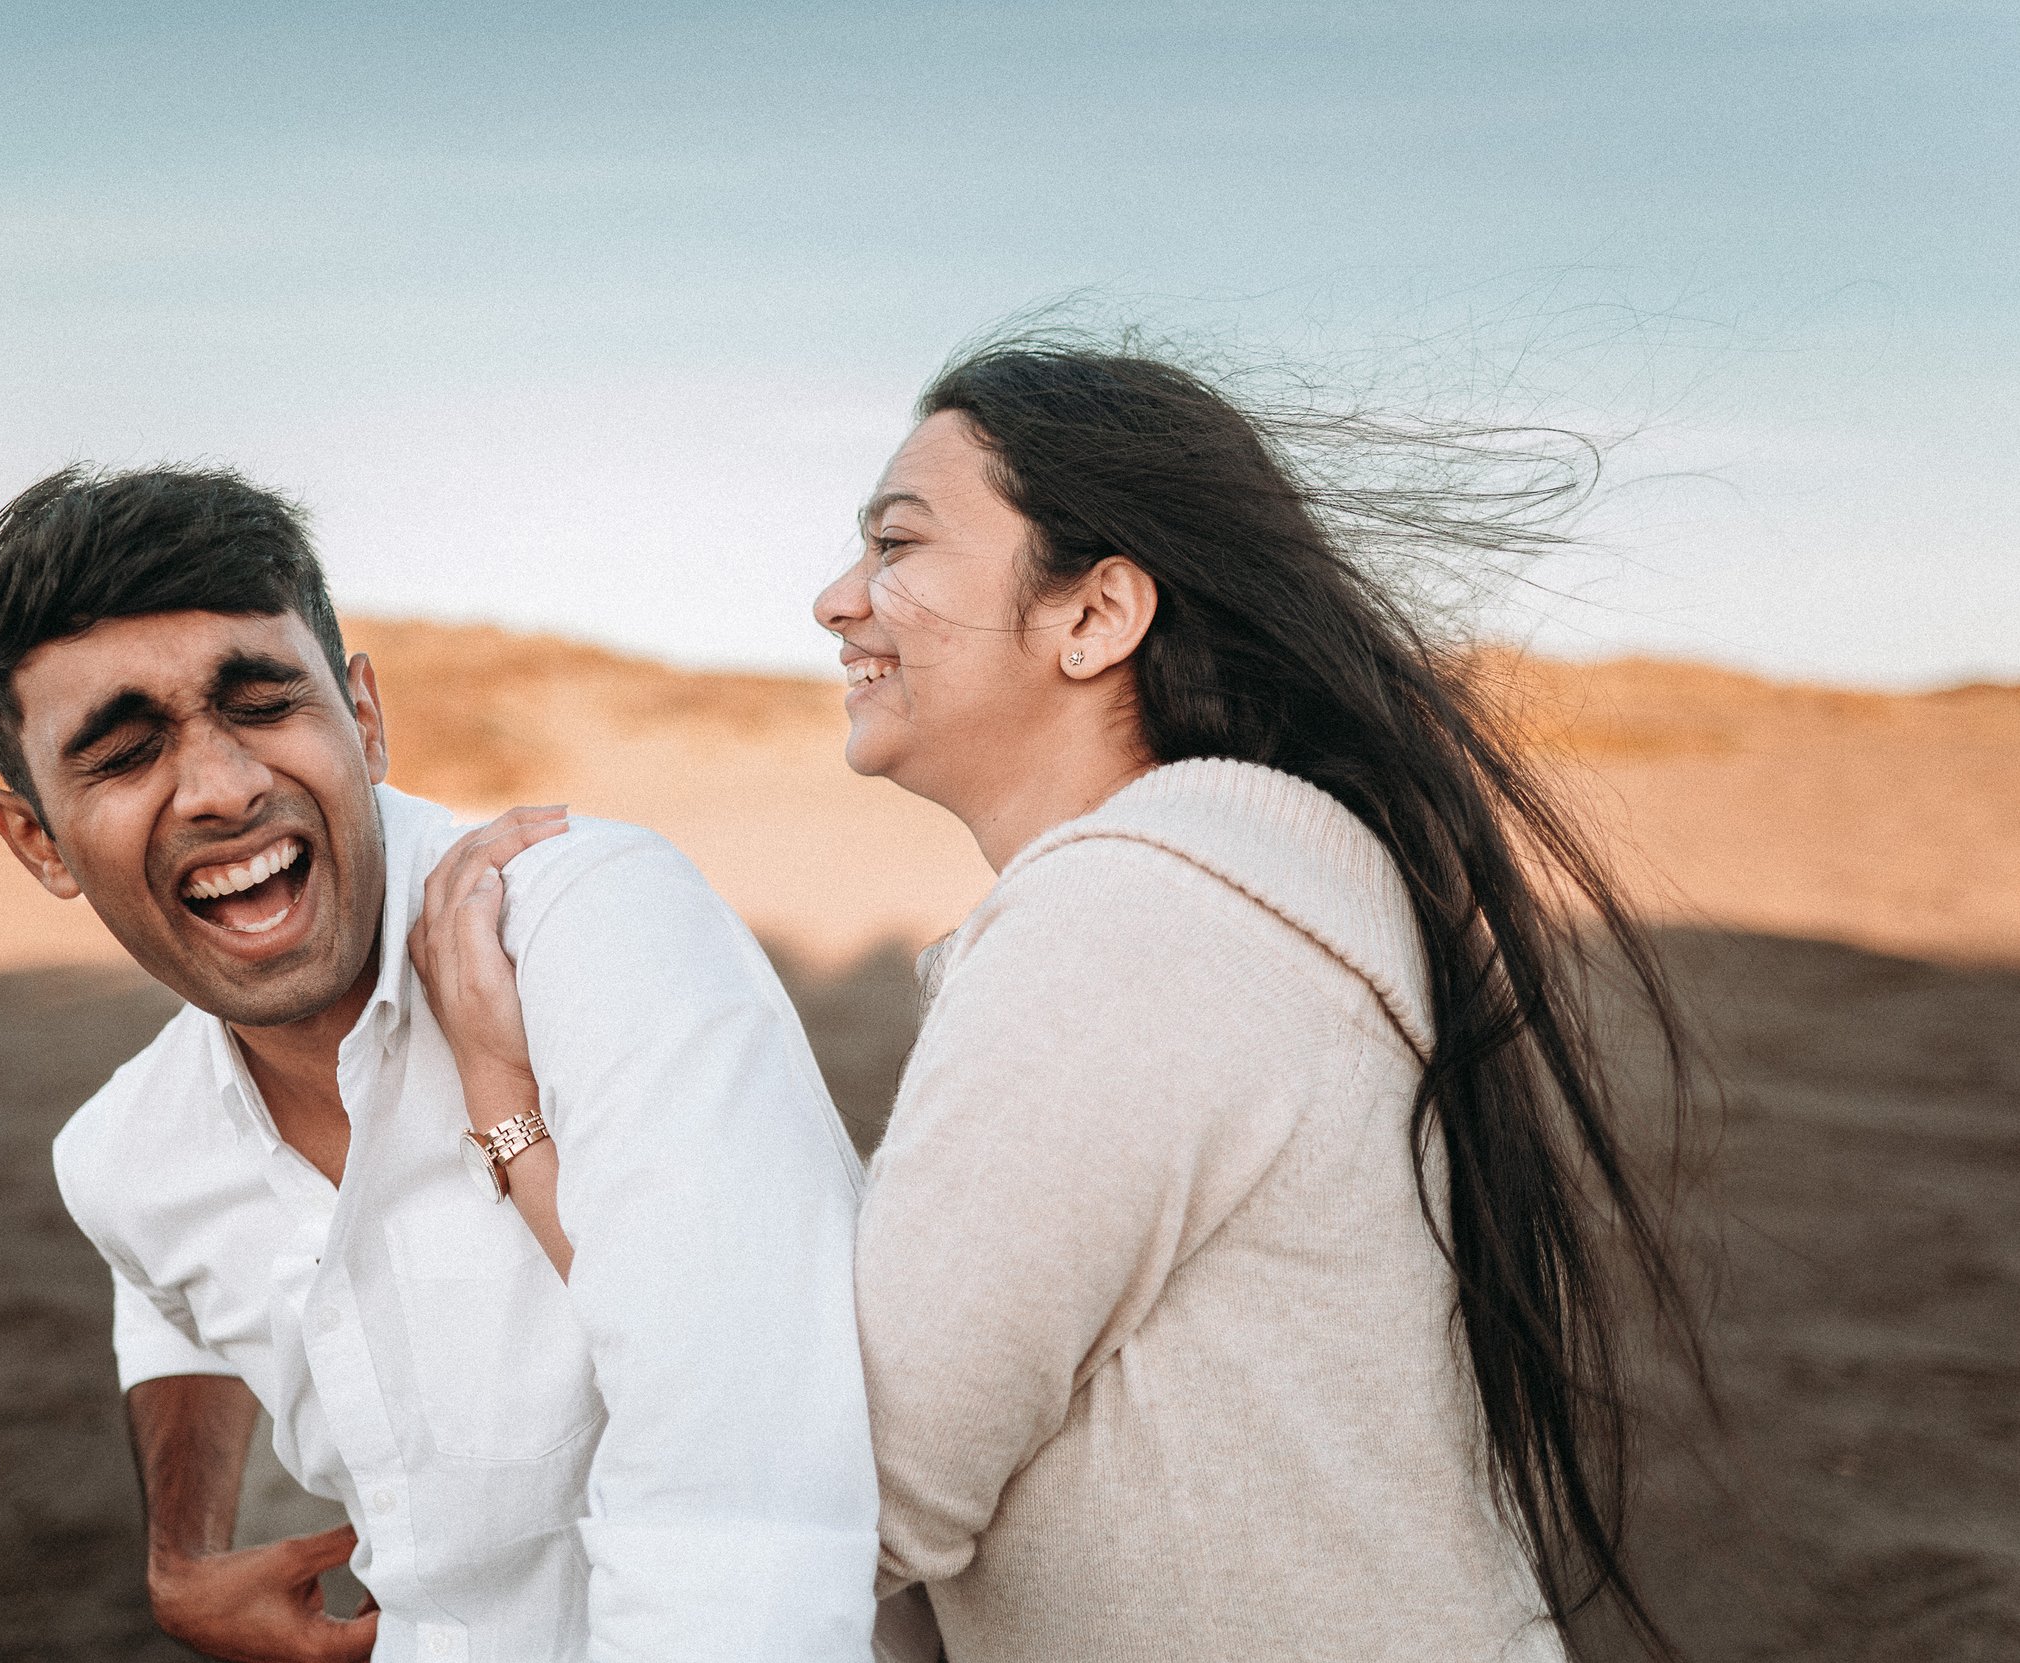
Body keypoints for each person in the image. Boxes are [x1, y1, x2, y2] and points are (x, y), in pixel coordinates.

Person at [416, 338, 1702, 1662]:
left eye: (896, 544)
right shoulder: (1244, 891)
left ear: (1093, 616)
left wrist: (510, 1115)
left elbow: (837, 1489)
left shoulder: (1136, 926)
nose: (835, 600)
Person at [0, 465, 880, 1663]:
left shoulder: (581, 929)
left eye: (264, 703)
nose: (224, 787)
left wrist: (504, 1108)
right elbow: (163, 1287)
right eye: (125, 754)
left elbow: (746, 1481)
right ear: (37, 840)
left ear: (365, 717)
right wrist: (181, 1551)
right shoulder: (124, 1149)